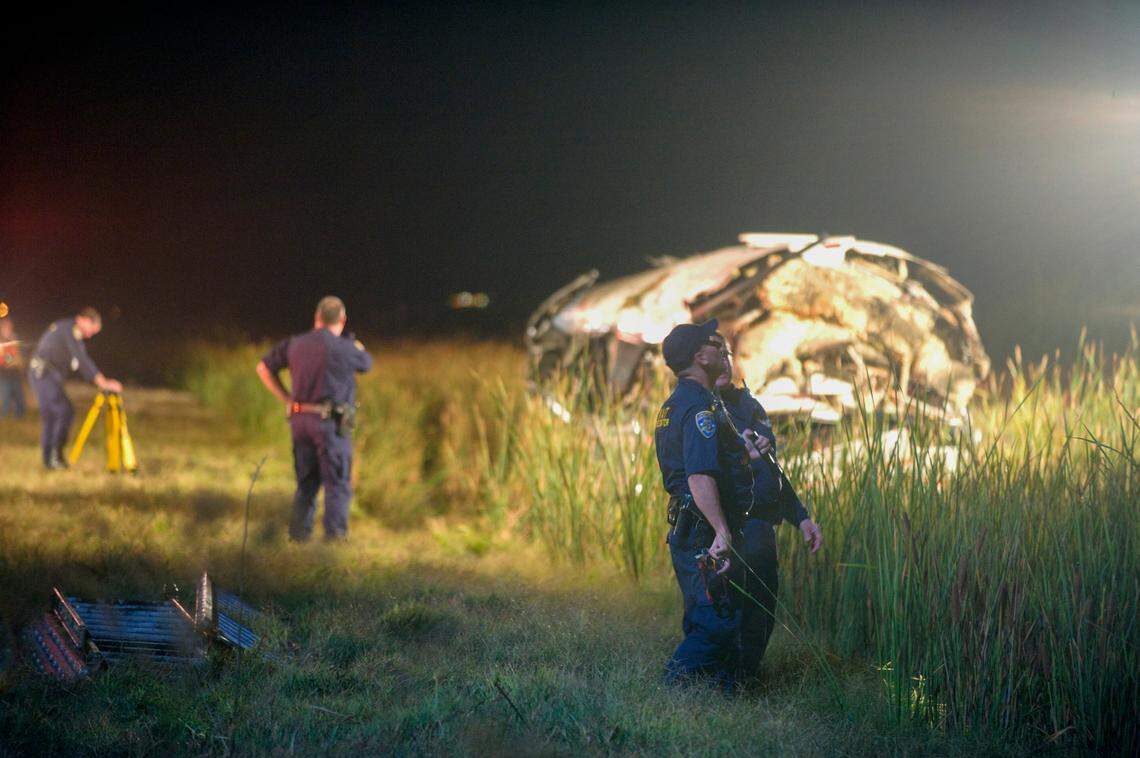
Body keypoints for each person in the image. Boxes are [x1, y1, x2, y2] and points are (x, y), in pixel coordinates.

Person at [654, 318, 758, 691]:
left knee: (705, 615)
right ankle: (669, 691)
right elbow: (699, 475)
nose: (720, 350)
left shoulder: (674, 404)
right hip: (702, 528)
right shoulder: (699, 408)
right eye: (713, 345)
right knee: (717, 622)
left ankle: (718, 697)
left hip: (687, 525)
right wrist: (721, 531)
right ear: (700, 356)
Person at [715, 351, 823, 680]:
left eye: (725, 353)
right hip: (727, 526)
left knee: (762, 606)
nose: (720, 361)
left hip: (762, 527)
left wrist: (801, 517)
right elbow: (700, 475)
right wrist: (741, 457)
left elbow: (773, 469)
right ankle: (719, 683)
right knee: (726, 605)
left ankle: (747, 677)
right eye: (712, 352)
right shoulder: (701, 408)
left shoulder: (751, 406)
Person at [256, 296, 373, 542]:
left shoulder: (295, 343)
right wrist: (357, 346)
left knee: (306, 483)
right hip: (331, 424)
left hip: (300, 420)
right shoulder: (345, 347)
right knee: (337, 483)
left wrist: (287, 398)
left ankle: (298, 538)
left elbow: (263, 368)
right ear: (342, 320)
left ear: (316, 318)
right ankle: (334, 540)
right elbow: (366, 363)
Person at [27, 308, 123, 469]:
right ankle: (54, 458)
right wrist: (103, 383)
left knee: (53, 417)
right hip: (43, 373)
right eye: (91, 330)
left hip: (45, 374)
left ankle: (50, 460)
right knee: (64, 411)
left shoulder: (69, 331)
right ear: (83, 320)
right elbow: (83, 360)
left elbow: (79, 363)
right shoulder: (69, 330)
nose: (90, 335)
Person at [0, 316, 27, 418]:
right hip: (4, 375)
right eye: (6, 326)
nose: (9, 328)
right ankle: (3, 417)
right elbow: (3, 359)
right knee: (6, 397)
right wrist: (11, 359)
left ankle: (19, 416)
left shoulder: (15, 338)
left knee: (20, 397)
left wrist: (20, 360)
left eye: (10, 326)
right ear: (2, 328)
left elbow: (21, 354)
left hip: (16, 373)